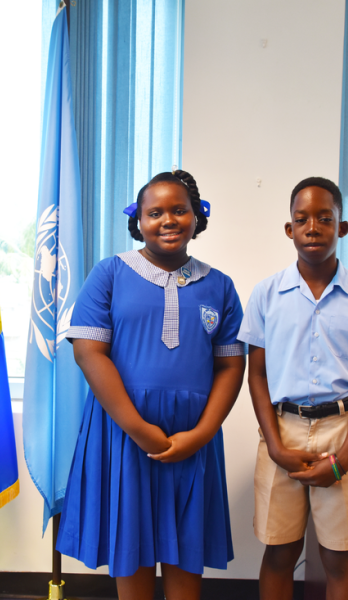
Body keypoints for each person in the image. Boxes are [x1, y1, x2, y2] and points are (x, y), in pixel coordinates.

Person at [56, 170, 246, 600]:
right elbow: (88, 352)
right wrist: (139, 429)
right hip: (125, 435)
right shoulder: (109, 274)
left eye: (180, 210)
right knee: (132, 546)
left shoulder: (220, 286)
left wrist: (201, 433)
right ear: (138, 221)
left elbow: (230, 367)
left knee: (186, 551)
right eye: (155, 212)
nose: (168, 220)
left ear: (197, 217)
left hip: (192, 438)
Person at [238, 177, 348, 600]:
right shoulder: (266, 294)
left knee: (338, 558)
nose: (313, 227)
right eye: (302, 219)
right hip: (283, 431)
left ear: (342, 227)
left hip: (342, 432)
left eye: (324, 218)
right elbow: (255, 375)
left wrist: (345, 456)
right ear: (289, 230)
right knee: (279, 553)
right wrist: (275, 446)